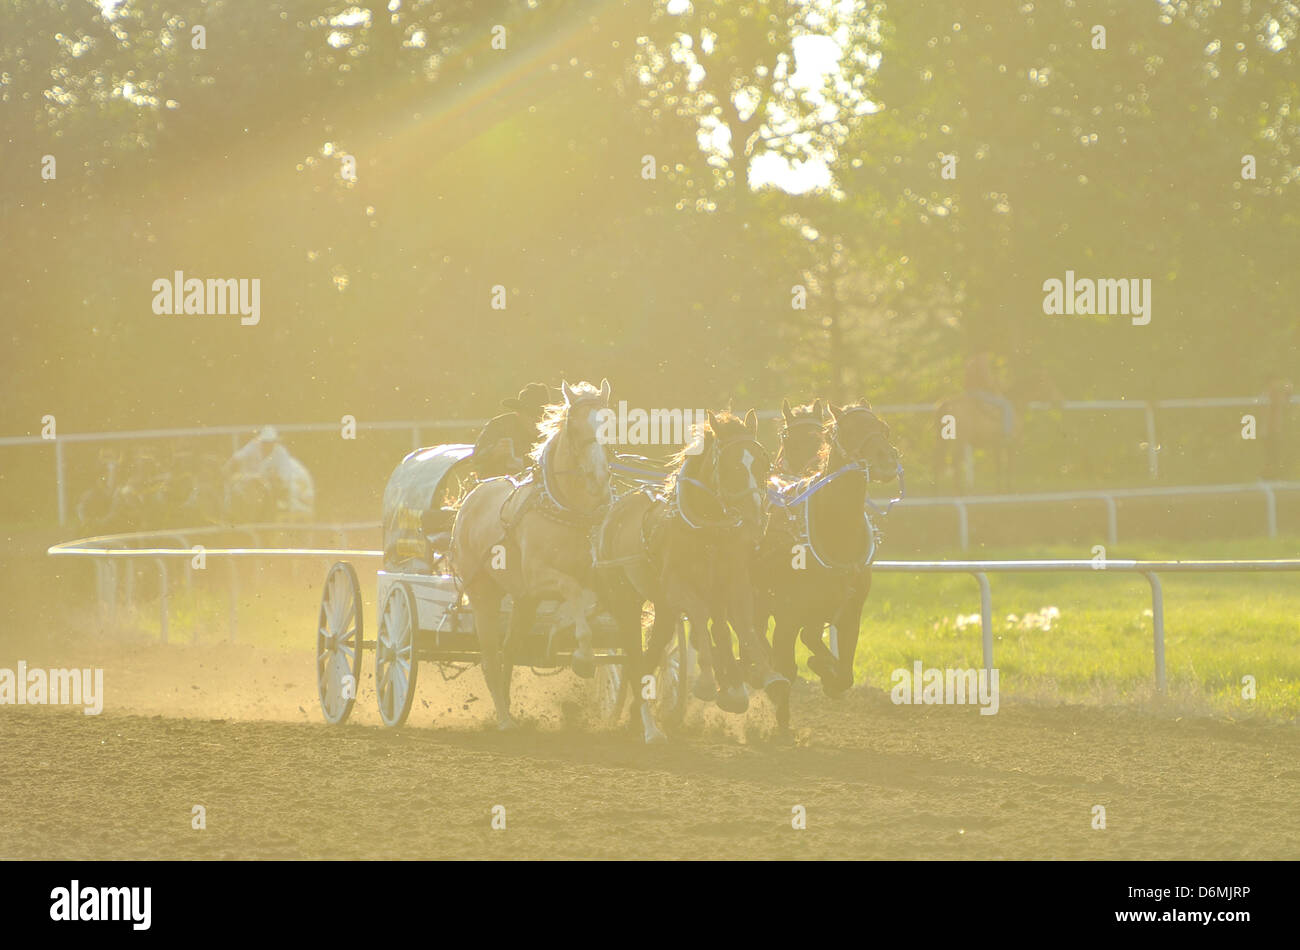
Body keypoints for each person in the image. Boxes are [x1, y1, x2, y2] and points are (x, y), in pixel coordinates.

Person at [472, 383, 552, 477]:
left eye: (542, 415)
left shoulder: (554, 433)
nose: (536, 419)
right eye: (531, 413)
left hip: (539, 486)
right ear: (519, 412)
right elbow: (476, 458)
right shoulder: (498, 426)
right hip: (500, 485)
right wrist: (493, 452)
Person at [964, 352, 1015, 438]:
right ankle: (1007, 435)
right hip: (978, 392)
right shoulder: (983, 357)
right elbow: (986, 379)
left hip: (968, 392)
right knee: (1007, 405)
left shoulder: (970, 357)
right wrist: (995, 388)